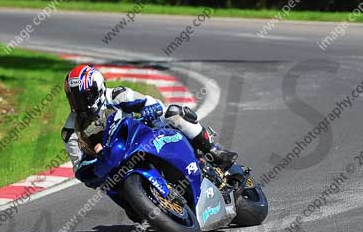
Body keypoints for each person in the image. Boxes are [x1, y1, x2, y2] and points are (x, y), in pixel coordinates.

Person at [60, 64, 236, 183]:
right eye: (75, 98)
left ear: (99, 89)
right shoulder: (70, 130)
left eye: (86, 96)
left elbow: (152, 103)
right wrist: (92, 170)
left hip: (144, 137)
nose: (81, 103)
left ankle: (213, 150)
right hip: (113, 162)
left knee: (173, 113)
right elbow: (79, 167)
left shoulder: (116, 95)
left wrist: (150, 109)